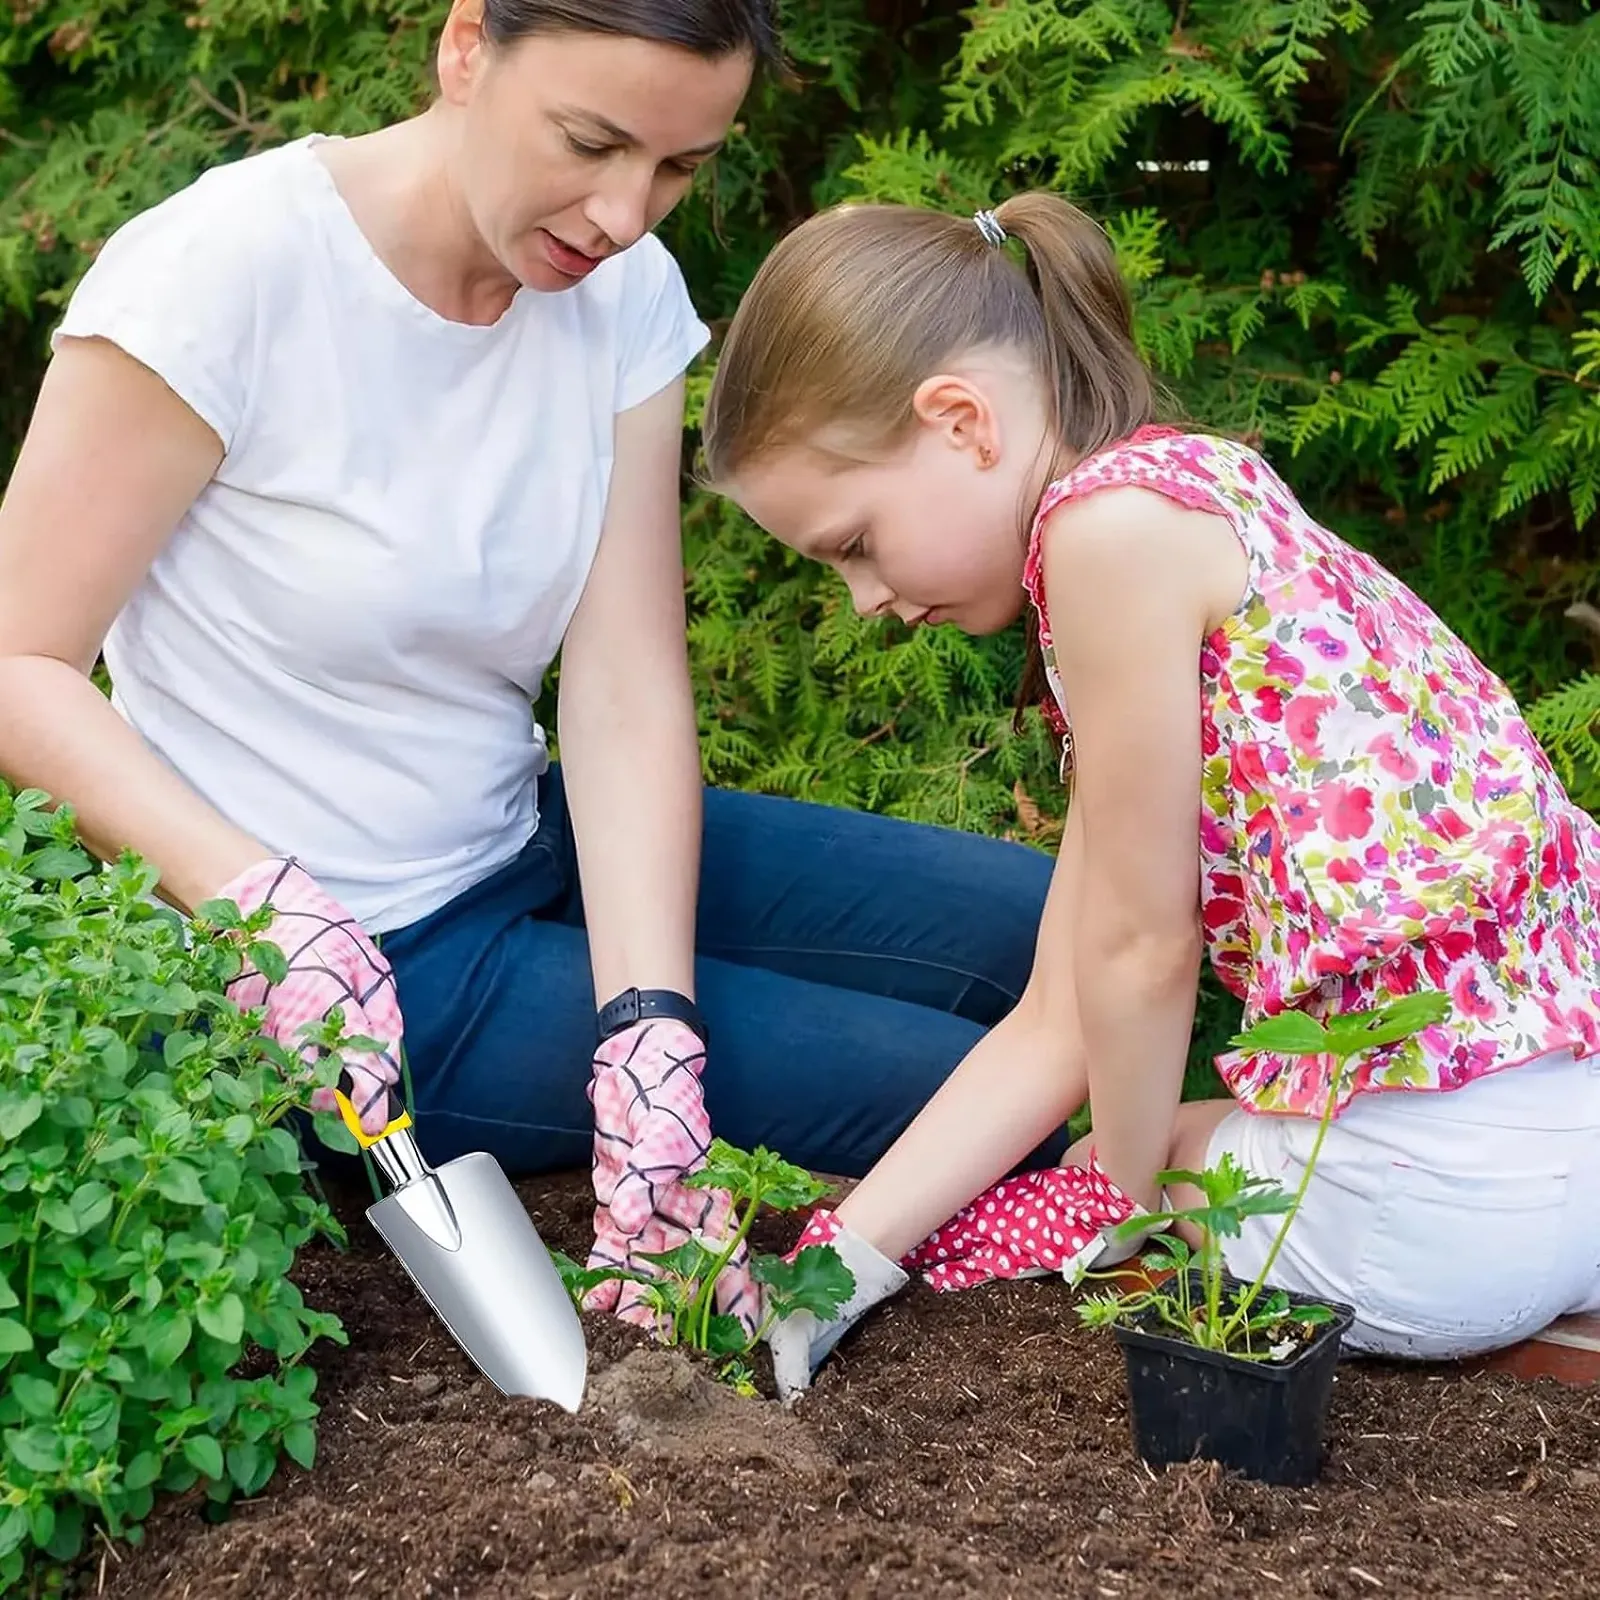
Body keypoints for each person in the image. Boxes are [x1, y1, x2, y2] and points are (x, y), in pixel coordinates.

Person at [0, 2, 1054, 1338]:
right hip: (354, 976)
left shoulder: (618, 294)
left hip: (522, 840)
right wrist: (257, 904)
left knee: (1042, 931)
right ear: (463, 48)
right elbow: (19, 659)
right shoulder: (223, 273)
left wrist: (652, 1028)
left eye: (677, 168)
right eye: (591, 140)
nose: (623, 212)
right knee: (965, 1093)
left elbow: (621, 686)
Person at [698, 192, 1600, 1394]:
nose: (865, 600)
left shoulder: (1103, 540)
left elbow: (1135, 954)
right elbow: (1059, 1012)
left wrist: (1108, 1213)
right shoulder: (1192, 493)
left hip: (1441, 1209)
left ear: (960, 419)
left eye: (853, 542)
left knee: (1151, 1158)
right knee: (1154, 1138)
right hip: (1571, 1155)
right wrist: (839, 1255)